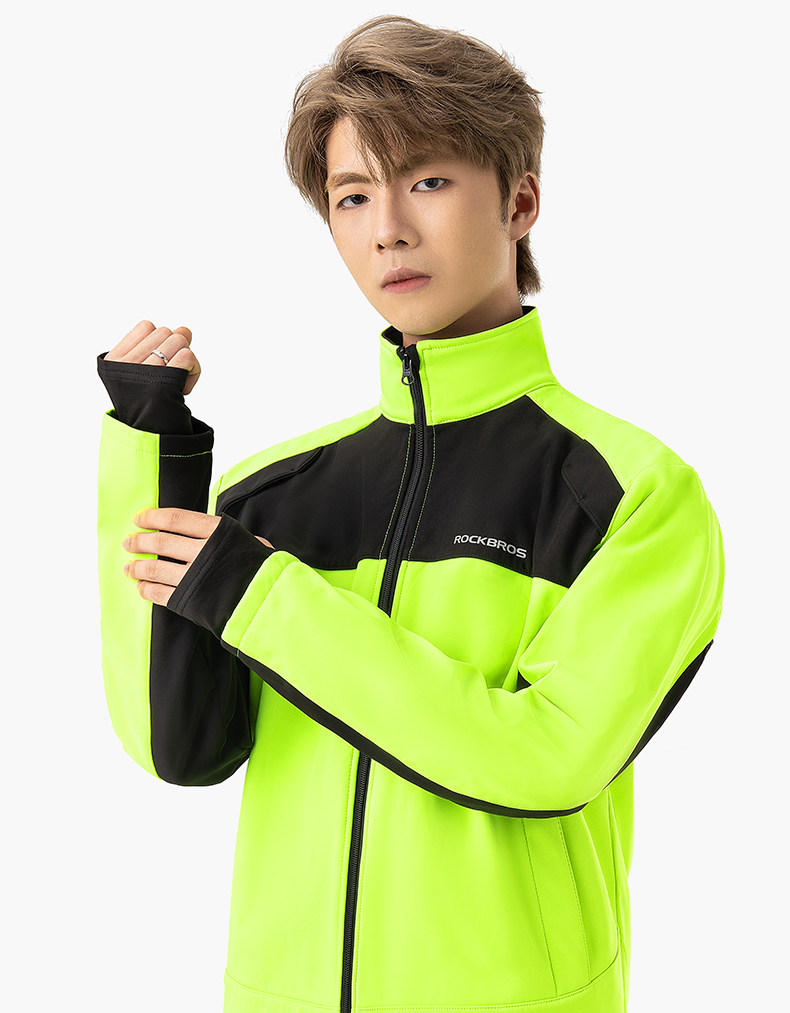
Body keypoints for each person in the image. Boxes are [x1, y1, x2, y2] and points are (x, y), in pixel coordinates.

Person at [96, 14, 725, 1013]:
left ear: (519, 201)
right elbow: (181, 747)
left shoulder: (632, 495)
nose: (386, 226)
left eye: (426, 180)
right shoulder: (272, 491)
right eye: (352, 195)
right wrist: (155, 457)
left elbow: (547, 755)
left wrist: (267, 597)